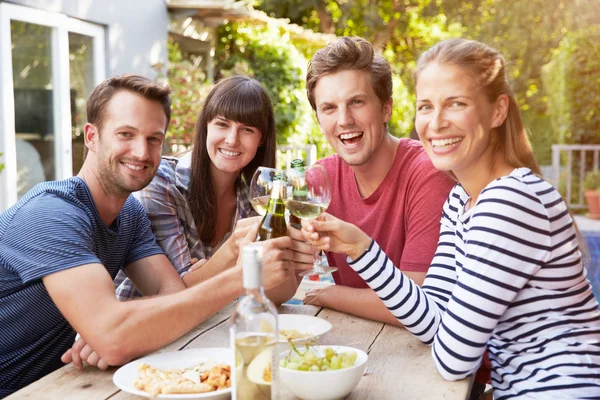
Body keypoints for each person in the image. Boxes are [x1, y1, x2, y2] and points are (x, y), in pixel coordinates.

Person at [302, 38, 600, 398]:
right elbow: (432, 318)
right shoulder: (461, 199)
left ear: (497, 111)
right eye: (426, 107)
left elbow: (454, 358)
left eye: (455, 104)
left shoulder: (509, 201)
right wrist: (363, 249)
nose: (436, 123)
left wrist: (336, 287)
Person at [0, 75, 304, 398]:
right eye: (125, 134)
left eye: (154, 139)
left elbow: (173, 297)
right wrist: (241, 276)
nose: (142, 152)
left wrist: (122, 327)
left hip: (52, 385)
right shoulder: (52, 213)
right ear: (91, 136)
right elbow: (116, 336)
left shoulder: (129, 214)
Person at [114, 75, 310, 305]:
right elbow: (177, 296)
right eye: (222, 124)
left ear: (261, 139)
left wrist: (289, 256)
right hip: (143, 327)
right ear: (206, 125)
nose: (231, 139)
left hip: (208, 329)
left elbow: (274, 293)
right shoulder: (161, 183)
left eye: (246, 129)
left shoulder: (253, 200)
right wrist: (233, 252)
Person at [302, 36, 455, 326]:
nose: (344, 120)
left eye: (356, 102)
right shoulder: (320, 180)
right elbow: (281, 280)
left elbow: (416, 305)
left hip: (419, 355)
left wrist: (324, 294)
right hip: (352, 341)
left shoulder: (428, 174)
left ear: (386, 108)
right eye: (330, 108)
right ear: (319, 118)